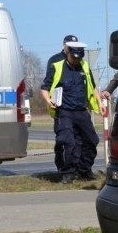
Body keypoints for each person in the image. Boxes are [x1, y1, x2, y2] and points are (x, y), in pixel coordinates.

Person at [40, 36, 101, 184]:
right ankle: (68, 174)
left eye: (79, 58)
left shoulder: (84, 66)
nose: (76, 61)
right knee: (68, 143)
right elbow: (44, 88)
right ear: (67, 53)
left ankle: (84, 170)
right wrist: (49, 100)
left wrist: (101, 103)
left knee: (92, 140)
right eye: (74, 58)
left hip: (81, 111)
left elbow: (92, 88)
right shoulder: (57, 65)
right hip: (65, 111)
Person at [46, 35, 82, 171]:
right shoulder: (55, 60)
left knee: (77, 139)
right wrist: (51, 101)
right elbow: (49, 83)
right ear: (64, 45)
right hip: (60, 106)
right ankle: (61, 165)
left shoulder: (78, 59)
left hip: (76, 107)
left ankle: (75, 166)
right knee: (62, 138)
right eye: (69, 44)